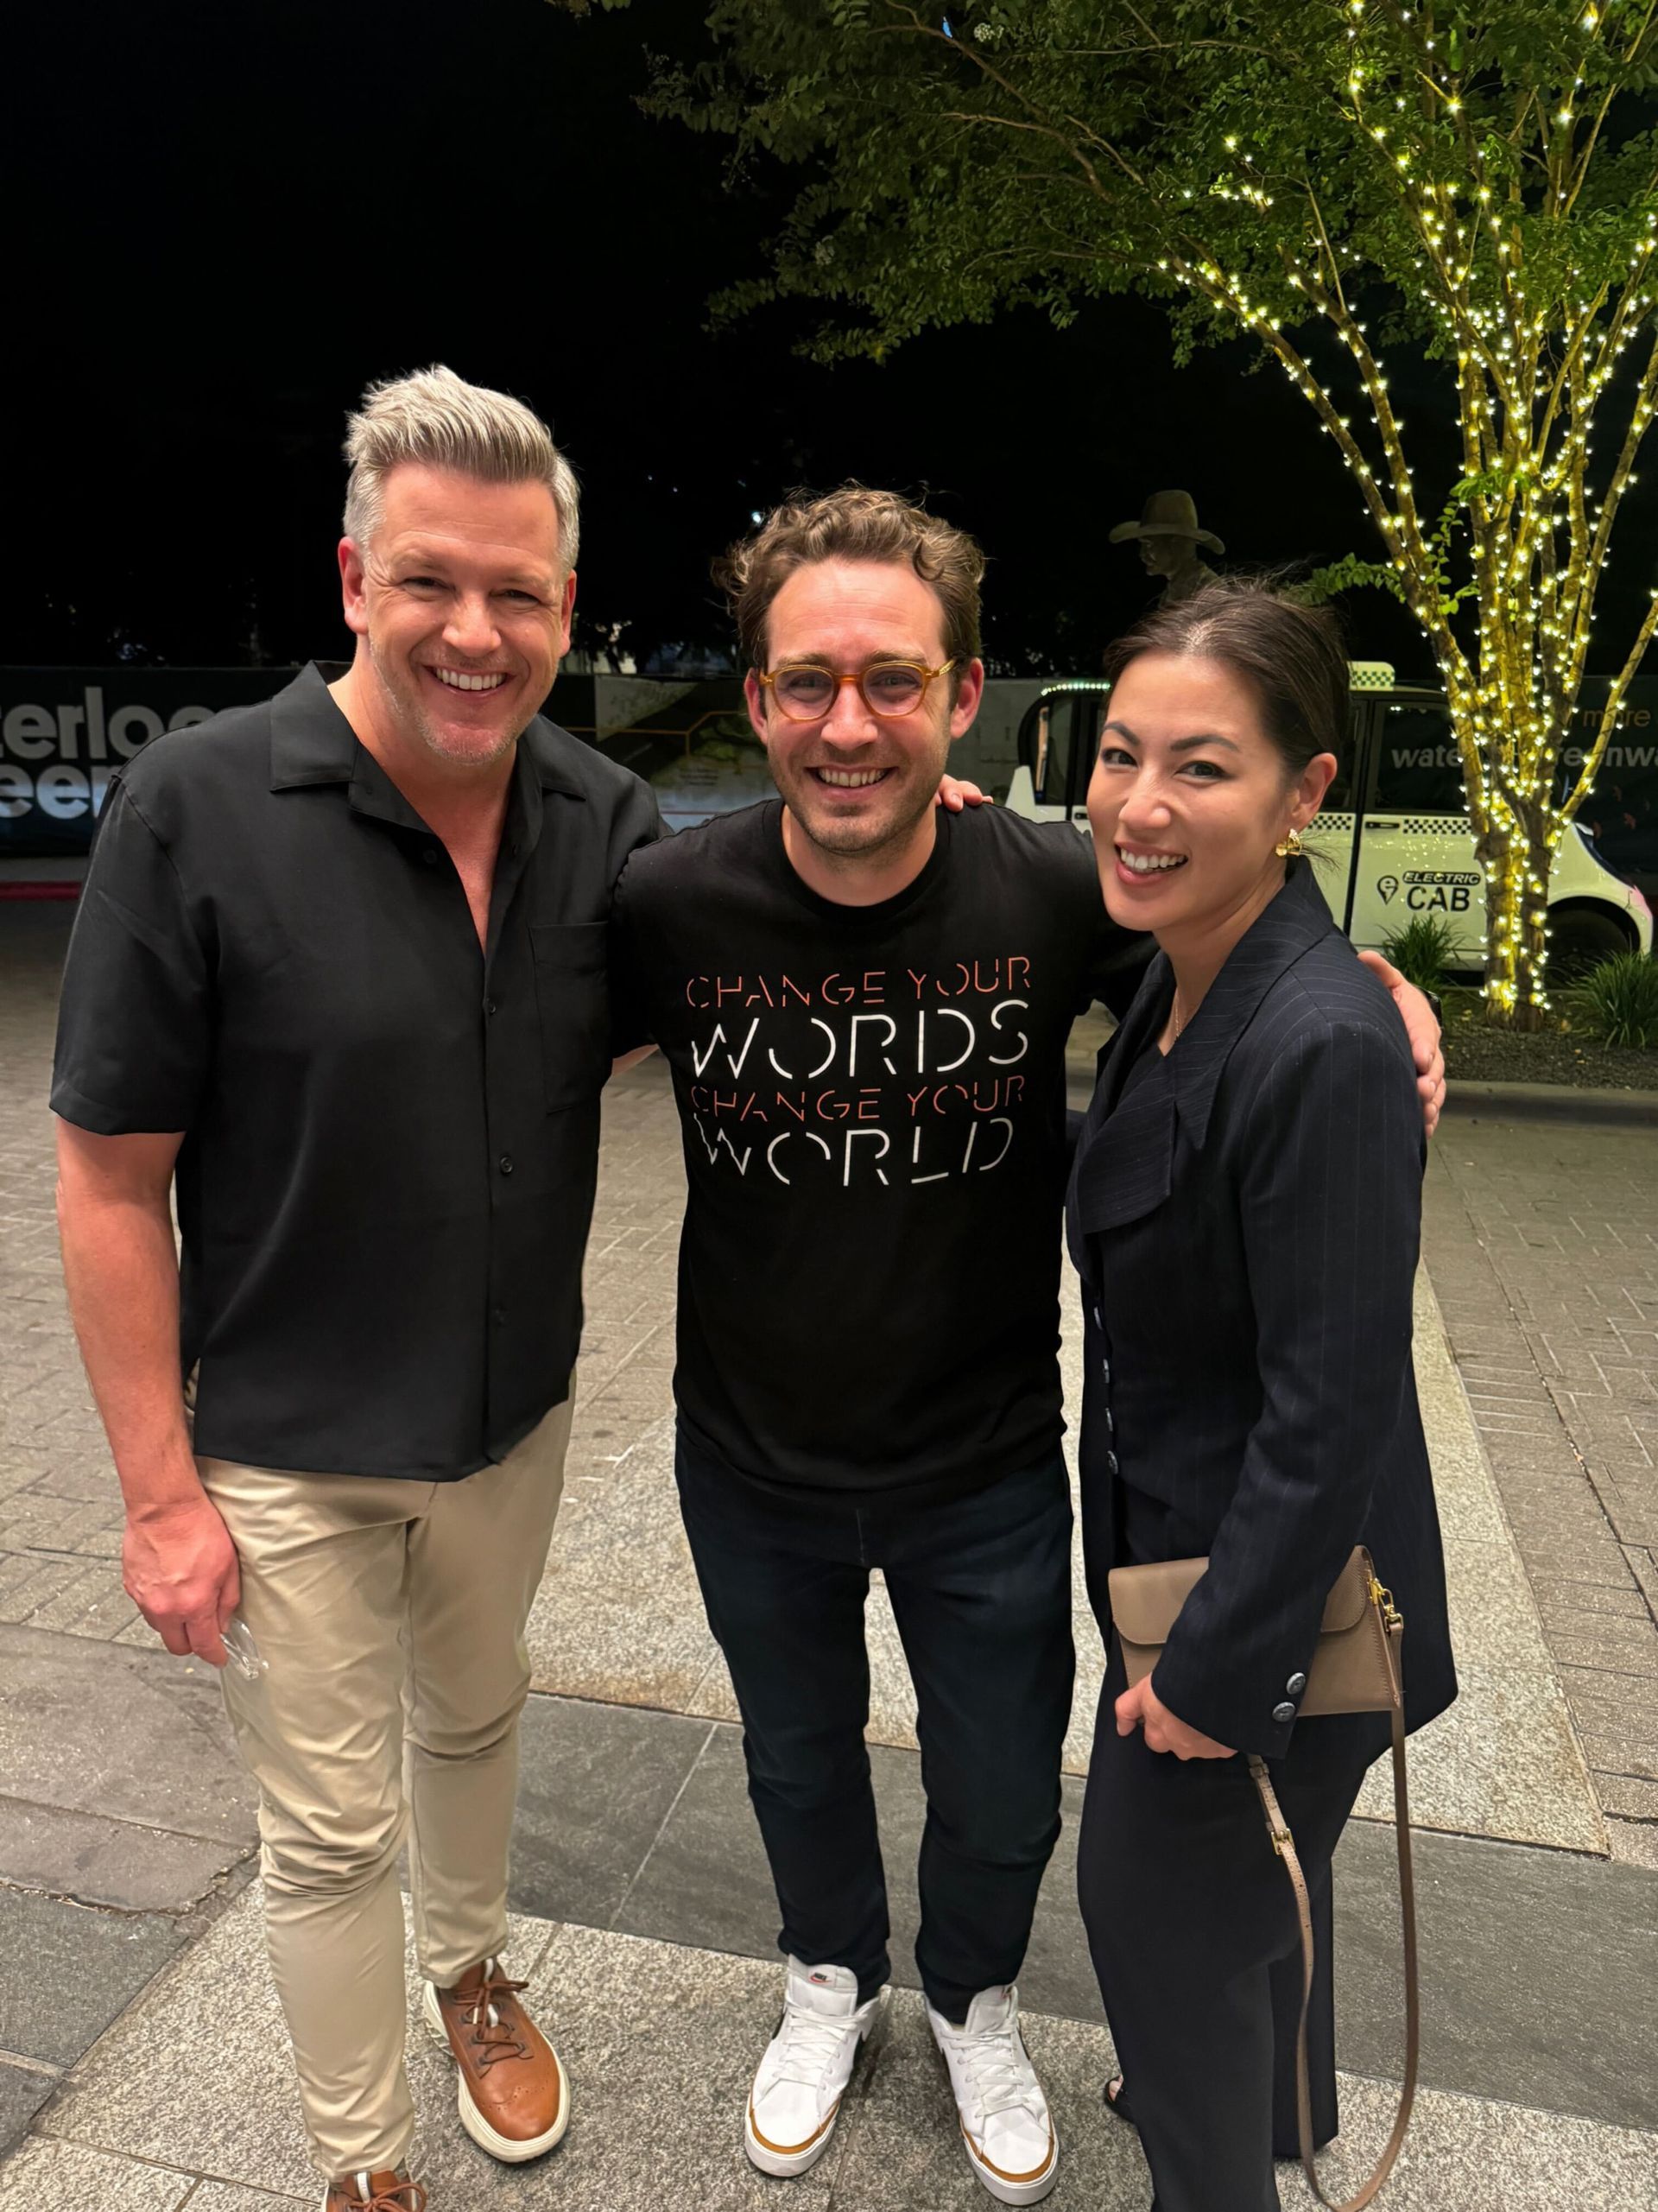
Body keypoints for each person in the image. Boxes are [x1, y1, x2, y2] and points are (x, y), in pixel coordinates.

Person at [609, 491, 1446, 2206]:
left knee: (1001, 1792)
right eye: (809, 681)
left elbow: (1244, 964)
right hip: (748, 1459)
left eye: (895, 682)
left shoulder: (1062, 888)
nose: (850, 723)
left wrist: (1377, 996)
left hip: (986, 1467)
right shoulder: (670, 901)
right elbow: (488, 1044)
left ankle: (975, 2000)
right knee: (794, 1757)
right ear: (757, 700)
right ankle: (830, 1981)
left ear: (964, 694)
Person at [51, 367, 660, 2212]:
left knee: (477, 1723)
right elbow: (106, 1179)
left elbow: (812, 928)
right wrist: (158, 1498)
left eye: (518, 594)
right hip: (287, 1453)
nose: (476, 632)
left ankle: (472, 1972)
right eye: (429, 582)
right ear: (352, 580)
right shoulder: (197, 804)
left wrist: (1312, 979)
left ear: (567, 607)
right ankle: (361, 2168)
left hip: (509, 1426)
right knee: (325, 1838)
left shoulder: (605, 818)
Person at [1066, 580, 1458, 2212]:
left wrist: (1220, 1676)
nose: (1141, 804)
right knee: (1245, 1900)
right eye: (1118, 753)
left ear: (1307, 793)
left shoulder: (1320, 1045)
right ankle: (1285, 2103)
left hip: (1261, 1614)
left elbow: (1332, 1411)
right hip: (1198, 1560)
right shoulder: (1187, 964)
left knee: (1153, 1916)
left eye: (1203, 766)